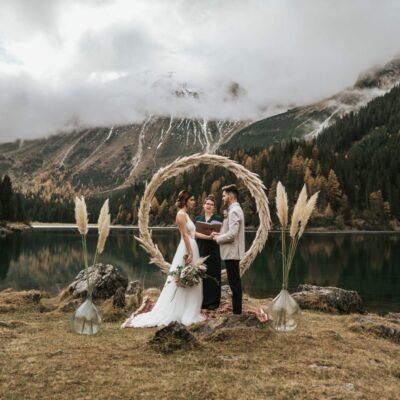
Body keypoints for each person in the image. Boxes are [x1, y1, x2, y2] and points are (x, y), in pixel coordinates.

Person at [122, 190, 204, 327]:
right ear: (185, 201)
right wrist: (190, 253)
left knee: (189, 277)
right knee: (181, 277)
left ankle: (188, 307)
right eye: (192, 200)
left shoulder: (186, 215)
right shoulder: (181, 215)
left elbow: (193, 233)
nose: (194, 202)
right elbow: (184, 235)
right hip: (186, 247)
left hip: (192, 246)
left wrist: (210, 236)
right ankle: (178, 309)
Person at [211, 184, 245, 314]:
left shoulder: (234, 211)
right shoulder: (233, 209)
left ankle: (237, 313)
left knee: (235, 284)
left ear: (230, 196)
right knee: (234, 283)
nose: (223, 197)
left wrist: (217, 239)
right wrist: (218, 234)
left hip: (232, 253)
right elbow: (230, 232)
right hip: (231, 252)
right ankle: (237, 311)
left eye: (224, 195)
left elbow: (232, 235)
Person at [195, 195, 222, 310]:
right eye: (207, 204)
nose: (209, 206)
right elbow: (194, 233)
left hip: (213, 249)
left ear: (214, 207)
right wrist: (207, 236)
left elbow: (222, 232)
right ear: (203, 205)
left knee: (213, 273)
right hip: (200, 248)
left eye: (211, 204)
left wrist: (216, 235)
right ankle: (201, 301)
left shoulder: (218, 218)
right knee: (201, 274)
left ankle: (213, 302)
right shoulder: (198, 218)